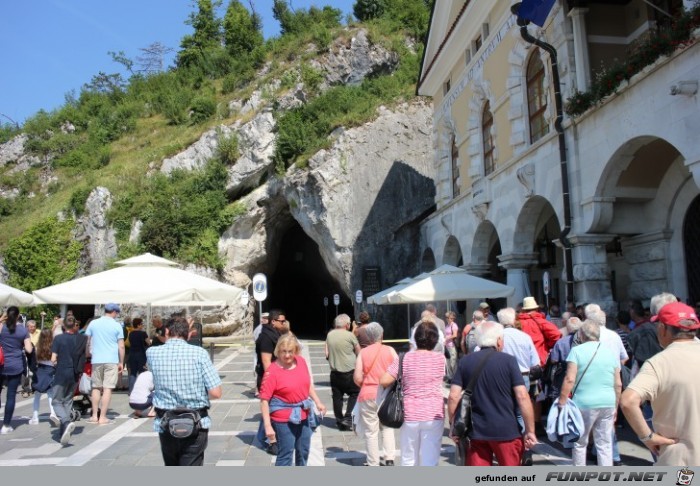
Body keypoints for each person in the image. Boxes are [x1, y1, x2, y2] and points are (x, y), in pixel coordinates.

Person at [620, 302, 700, 466]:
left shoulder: (658, 363)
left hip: (681, 460)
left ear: (663, 328)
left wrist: (647, 437)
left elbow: (628, 401)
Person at [448, 320, 537, 466]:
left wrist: (453, 425)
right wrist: (530, 430)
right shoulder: (509, 361)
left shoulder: (466, 361)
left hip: (476, 431)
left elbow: (453, 396)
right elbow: (522, 396)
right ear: (499, 341)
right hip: (507, 430)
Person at [147, 316, 222, 466]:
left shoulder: (152, 353)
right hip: (195, 422)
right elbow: (216, 393)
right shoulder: (199, 353)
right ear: (188, 333)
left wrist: (178, 328)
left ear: (167, 331)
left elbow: (164, 341)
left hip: (166, 423)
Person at [380, 321, 445, 466]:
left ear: (415, 338)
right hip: (433, 413)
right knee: (430, 458)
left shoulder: (403, 358)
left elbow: (384, 380)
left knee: (408, 458)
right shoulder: (441, 359)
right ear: (435, 340)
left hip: (409, 413)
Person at [558, 321, 621, 466]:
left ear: (581, 335)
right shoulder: (609, 352)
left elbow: (569, 379)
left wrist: (562, 401)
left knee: (580, 443)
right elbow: (617, 383)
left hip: (584, 402)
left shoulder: (576, 351)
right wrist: (616, 405)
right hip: (608, 401)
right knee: (604, 444)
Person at [260, 333, 327, 466]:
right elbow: (264, 400)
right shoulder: (272, 371)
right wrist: (268, 426)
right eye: (283, 351)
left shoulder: (301, 362)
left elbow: (307, 385)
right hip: (284, 418)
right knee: (286, 455)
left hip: (304, 414)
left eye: (290, 351)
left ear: (295, 351)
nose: (287, 355)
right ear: (278, 351)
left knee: (304, 451)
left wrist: (318, 402)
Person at [353, 322, 397, 466]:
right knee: (387, 427)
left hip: (368, 394)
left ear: (369, 337)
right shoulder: (390, 350)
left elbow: (357, 377)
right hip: (385, 394)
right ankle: (389, 458)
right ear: (382, 335)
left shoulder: (363, 353)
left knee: (371, 432)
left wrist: (366, 385)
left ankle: (373, 462)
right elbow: (398, 372)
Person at [50, 315, 87, 446]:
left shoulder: (59, 338)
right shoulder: (82, 338)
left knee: (56, 400)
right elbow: (85, 355)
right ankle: (63, 431)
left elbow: (53, 358)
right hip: (75, 373)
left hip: (61, 372)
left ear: (64, 326)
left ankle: (65, 422)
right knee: (67, 400)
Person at [85, 303, 125, 424]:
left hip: (96, 359)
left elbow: (87, 341)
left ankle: (94, 416)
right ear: (114, 312)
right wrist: (121, 362)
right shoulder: (117, 325)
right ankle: (102, 417)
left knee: (96, 387)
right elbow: (121, 346)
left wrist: (88, 353)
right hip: (111, 360)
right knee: (107, 388)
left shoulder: (93, 323)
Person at [255, 309, 286, 454]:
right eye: (281, 321)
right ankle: (271, 441)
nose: (284, 323)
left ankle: (267, 438)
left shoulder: (275, 334)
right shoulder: (267, 337)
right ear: (273, 321)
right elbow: (267, 362)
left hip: (274, 376)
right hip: (269, 379)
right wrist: (275, 380)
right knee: (272, 410)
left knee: (272, 410)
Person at [0, 306, 33, 434]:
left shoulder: (2, 327)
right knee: (11, 395)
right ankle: (6, 425)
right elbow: (29, 349)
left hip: (1, 364)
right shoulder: (23, 330)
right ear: (18, 315)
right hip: (15, 365)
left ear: (7, 315)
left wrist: (1, 319)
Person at [325, 313, 360, 431]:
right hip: (349, 371)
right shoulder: (350, 335)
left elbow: (327, 353)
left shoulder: (329, 335)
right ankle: (348, 417)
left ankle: (339, 420)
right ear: (347, 324)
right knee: (355, 393)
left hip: (335, 372)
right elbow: (358, 352)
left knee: (337, 397)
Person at [29, 329, 58, 426]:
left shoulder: (38, 346)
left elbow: (35, 359)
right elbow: (55, 360)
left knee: (37, 394)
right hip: (51, 370)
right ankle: (53, 413)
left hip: (40, 370)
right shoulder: (54, 345)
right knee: (50, 393)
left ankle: (35, 417)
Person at [127, 317, 150, 394]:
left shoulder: (131, 333)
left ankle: (131, 391)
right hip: (141, 355)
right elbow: (148, 343)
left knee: (133, 373)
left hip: (132, 354)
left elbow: (130, 343)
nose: (142, 325)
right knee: (142, 373)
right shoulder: (143, 333)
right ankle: (141, 390)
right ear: (138, 325)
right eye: (141, 324)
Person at [444, 311, 460, 379]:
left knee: (453, 362)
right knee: (448, 363)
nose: (447, 319)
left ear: (452, 318)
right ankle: (450, 377)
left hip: (452, 346)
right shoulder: (447, 325)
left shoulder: (454, 325)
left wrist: (447, 338)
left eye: (449, 318)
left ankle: (455, 377)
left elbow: (455, 335)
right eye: (446, 317)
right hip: (447, 346)